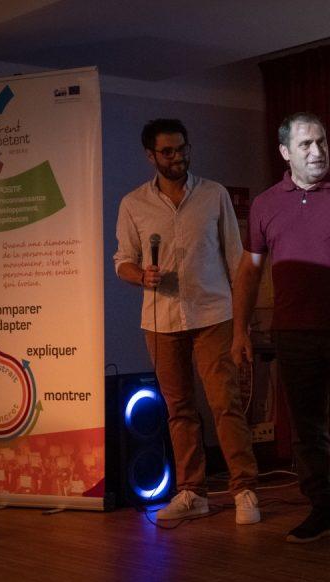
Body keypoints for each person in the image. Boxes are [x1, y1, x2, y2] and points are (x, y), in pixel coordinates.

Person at [231, 113, 330, 546]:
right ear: (285, 152)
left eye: (321, 142)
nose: (316, 152)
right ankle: (321, 511)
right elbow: (249, 270)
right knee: (307, 427)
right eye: (305, 145)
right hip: (295, 334)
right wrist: (239, 330)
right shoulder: (265, 204)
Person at [114, 118, 260, 524]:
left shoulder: (214, 195)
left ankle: (245, 489)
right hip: (160, 320)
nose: (177, 157)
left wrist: (242, 325)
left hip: (214, 314)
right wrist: (141, 275)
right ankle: (192, 492)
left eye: (182, 149)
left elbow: (236, 258)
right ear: (151, 156)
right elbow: (122, 261)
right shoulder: (133, 204)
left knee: (224, 403)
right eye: (167, 152)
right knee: (179, 409)